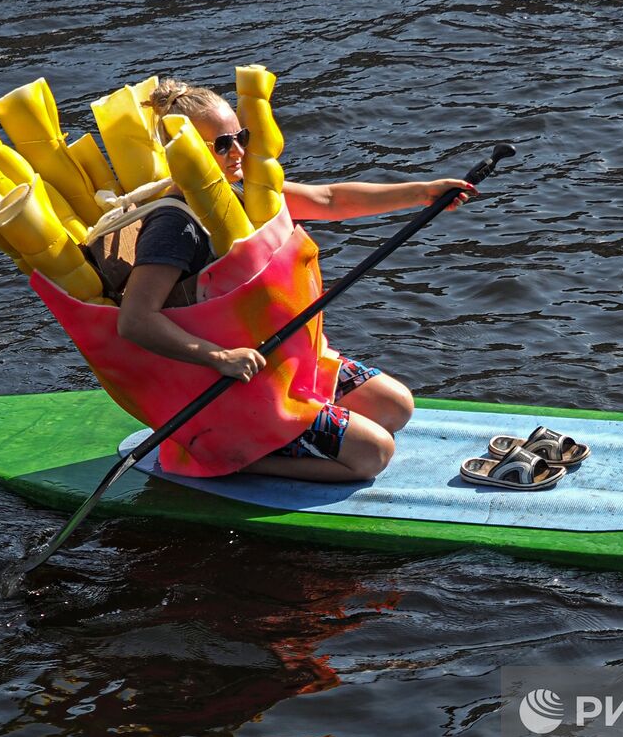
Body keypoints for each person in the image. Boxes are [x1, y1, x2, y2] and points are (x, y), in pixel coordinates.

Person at [115, 78, 474, 483]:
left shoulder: (239, 192)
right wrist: (221, 358)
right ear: (184, 152)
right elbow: (135, 320)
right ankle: (225, 459)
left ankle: (303, 416)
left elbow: (329, 199)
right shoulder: (174, 226)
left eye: (241, 137)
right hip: (236, 382)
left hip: (288, 364)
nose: (237, 152)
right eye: (220, 145)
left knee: (396, 407)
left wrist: (424, 192)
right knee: (373, 455)